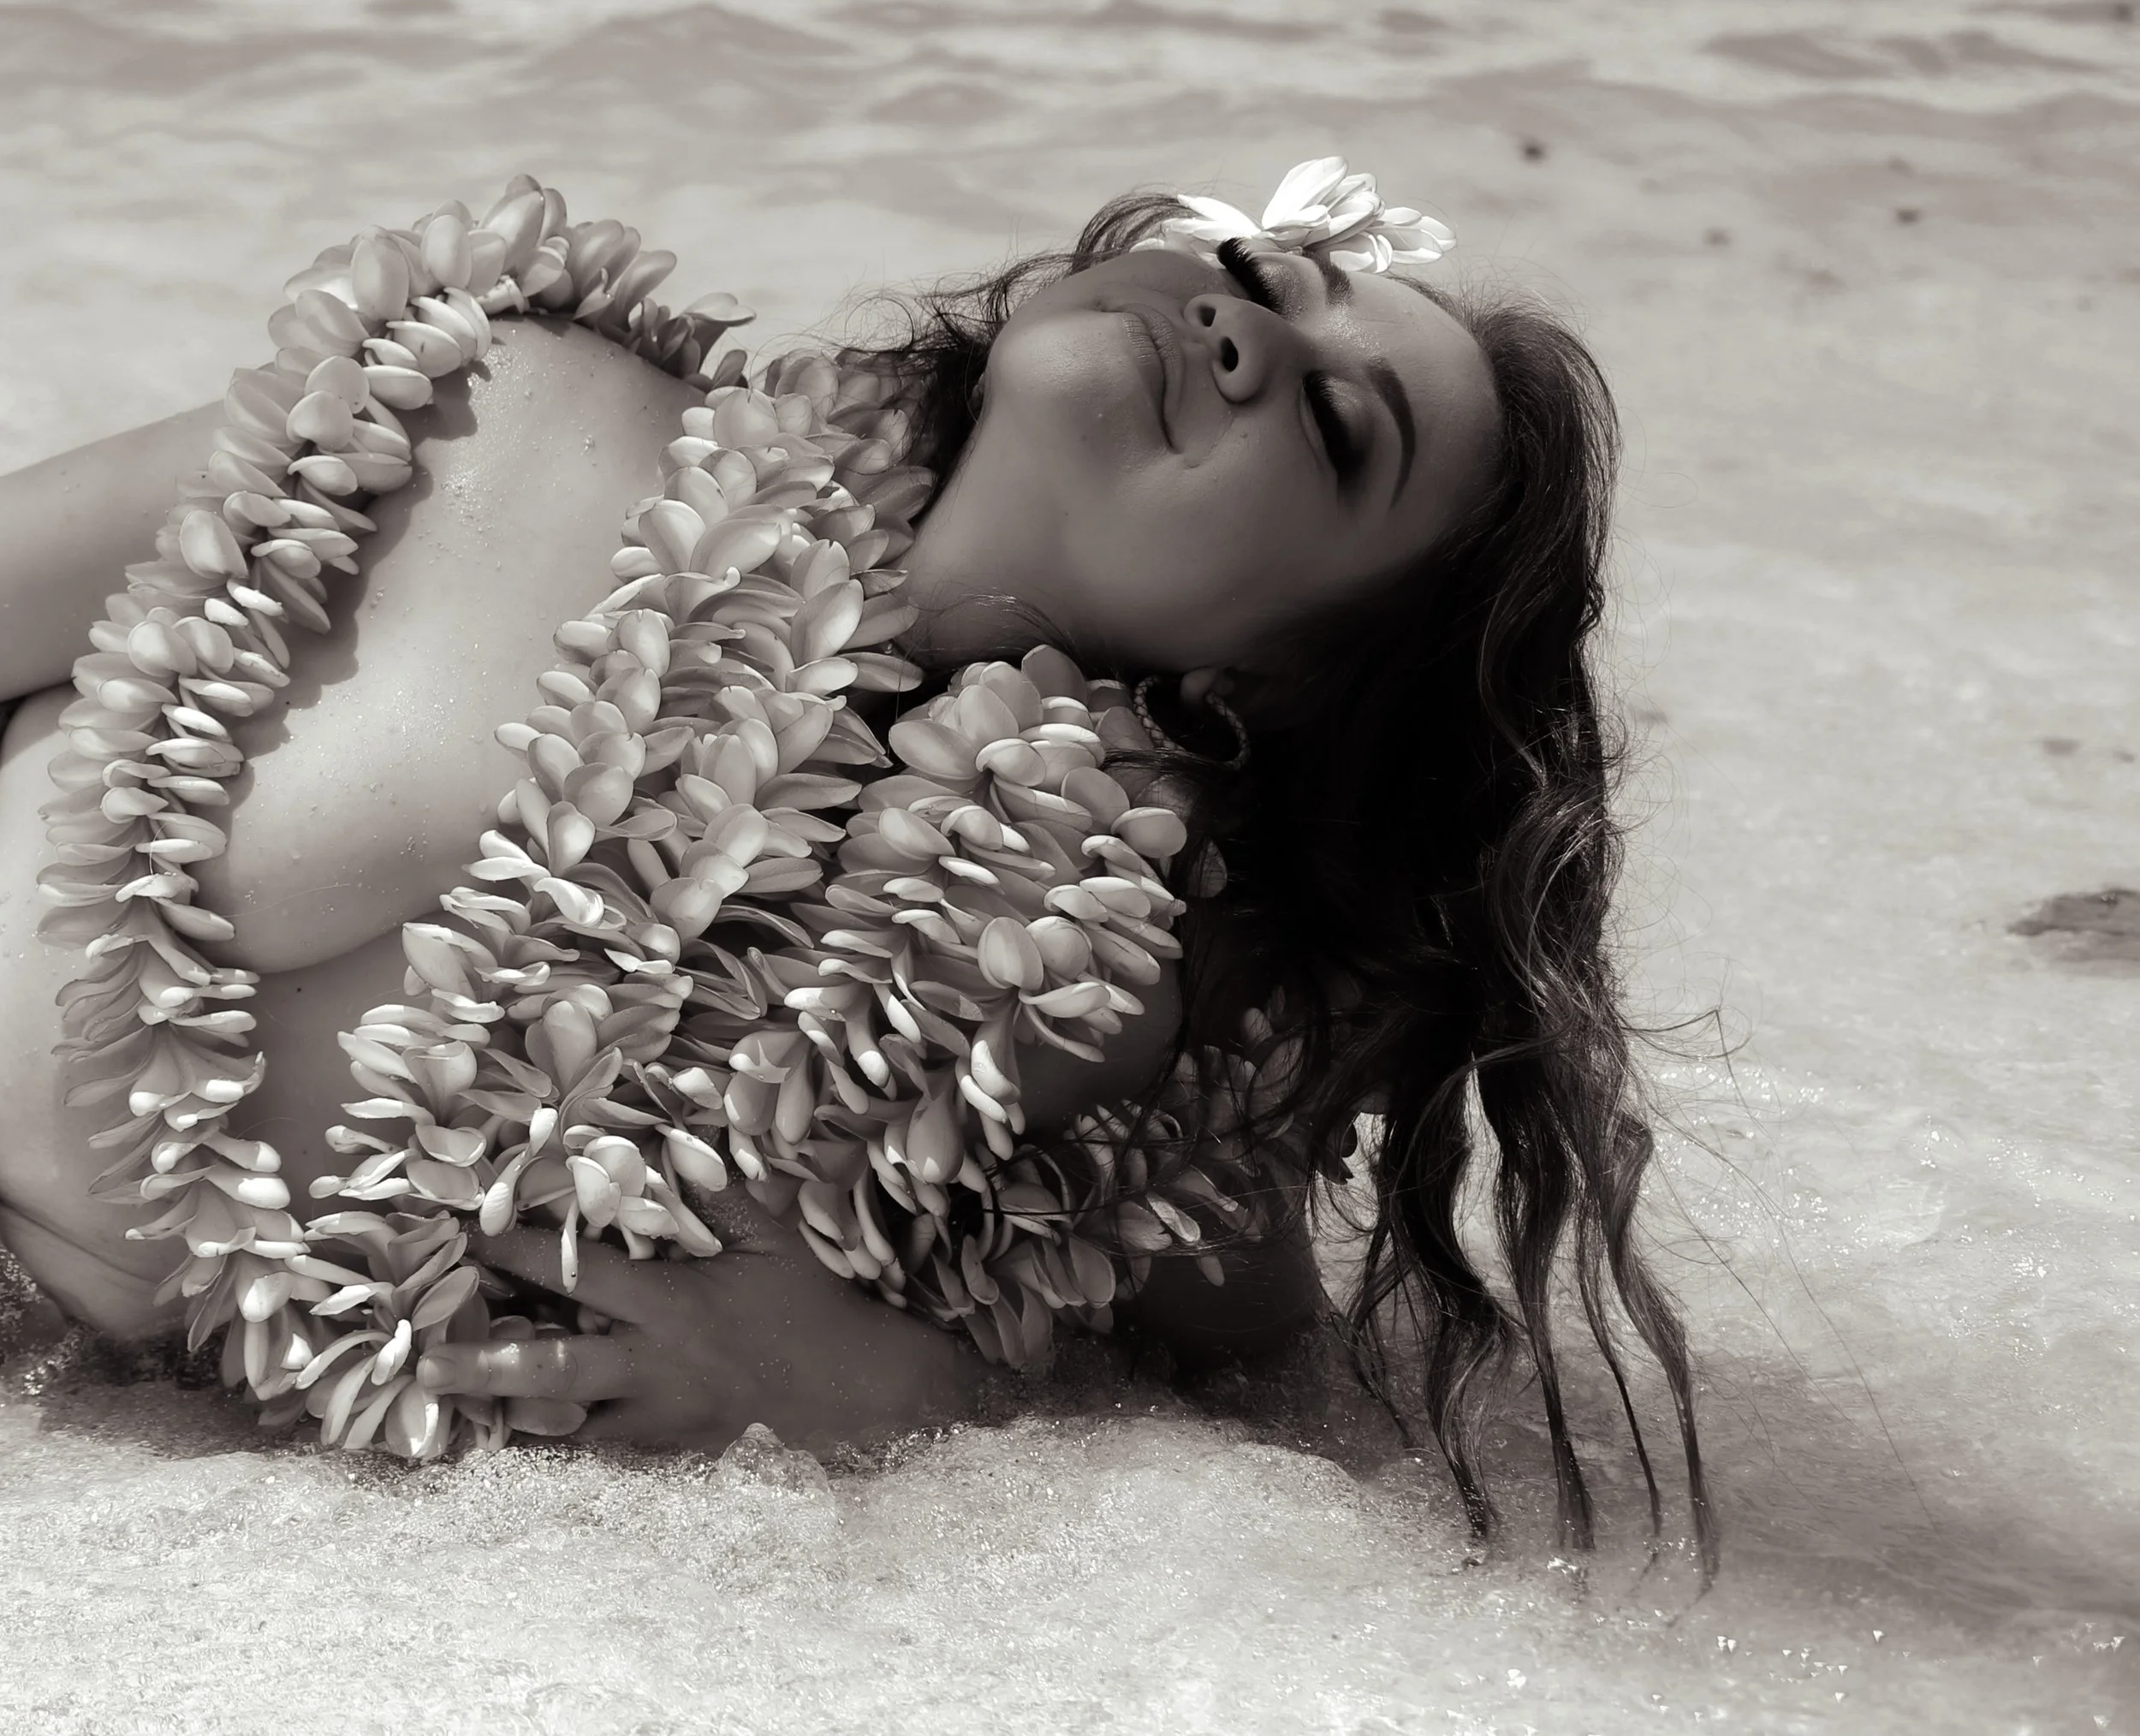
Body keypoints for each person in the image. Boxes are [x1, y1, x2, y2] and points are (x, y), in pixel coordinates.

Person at [0, 163, 1708, 1562]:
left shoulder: (1105, 989)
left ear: (1296, 675)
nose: (1239, 324)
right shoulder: (494, 405)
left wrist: (876, 1391)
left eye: (1340, 430)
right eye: (1245, 265)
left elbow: (1266, 1416)